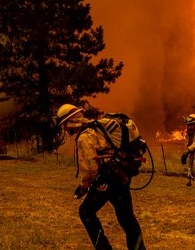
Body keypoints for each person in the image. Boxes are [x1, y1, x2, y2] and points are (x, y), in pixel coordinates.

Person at [56, 103, 146, 250]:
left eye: (64, 124)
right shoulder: (95, 127)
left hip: (108, 178)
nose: (65, 128)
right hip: (120, 175)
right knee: (126, 217)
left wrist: (83, 187)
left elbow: (90, 169)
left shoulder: (84, 137)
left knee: (86, 212)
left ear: (70, 122)